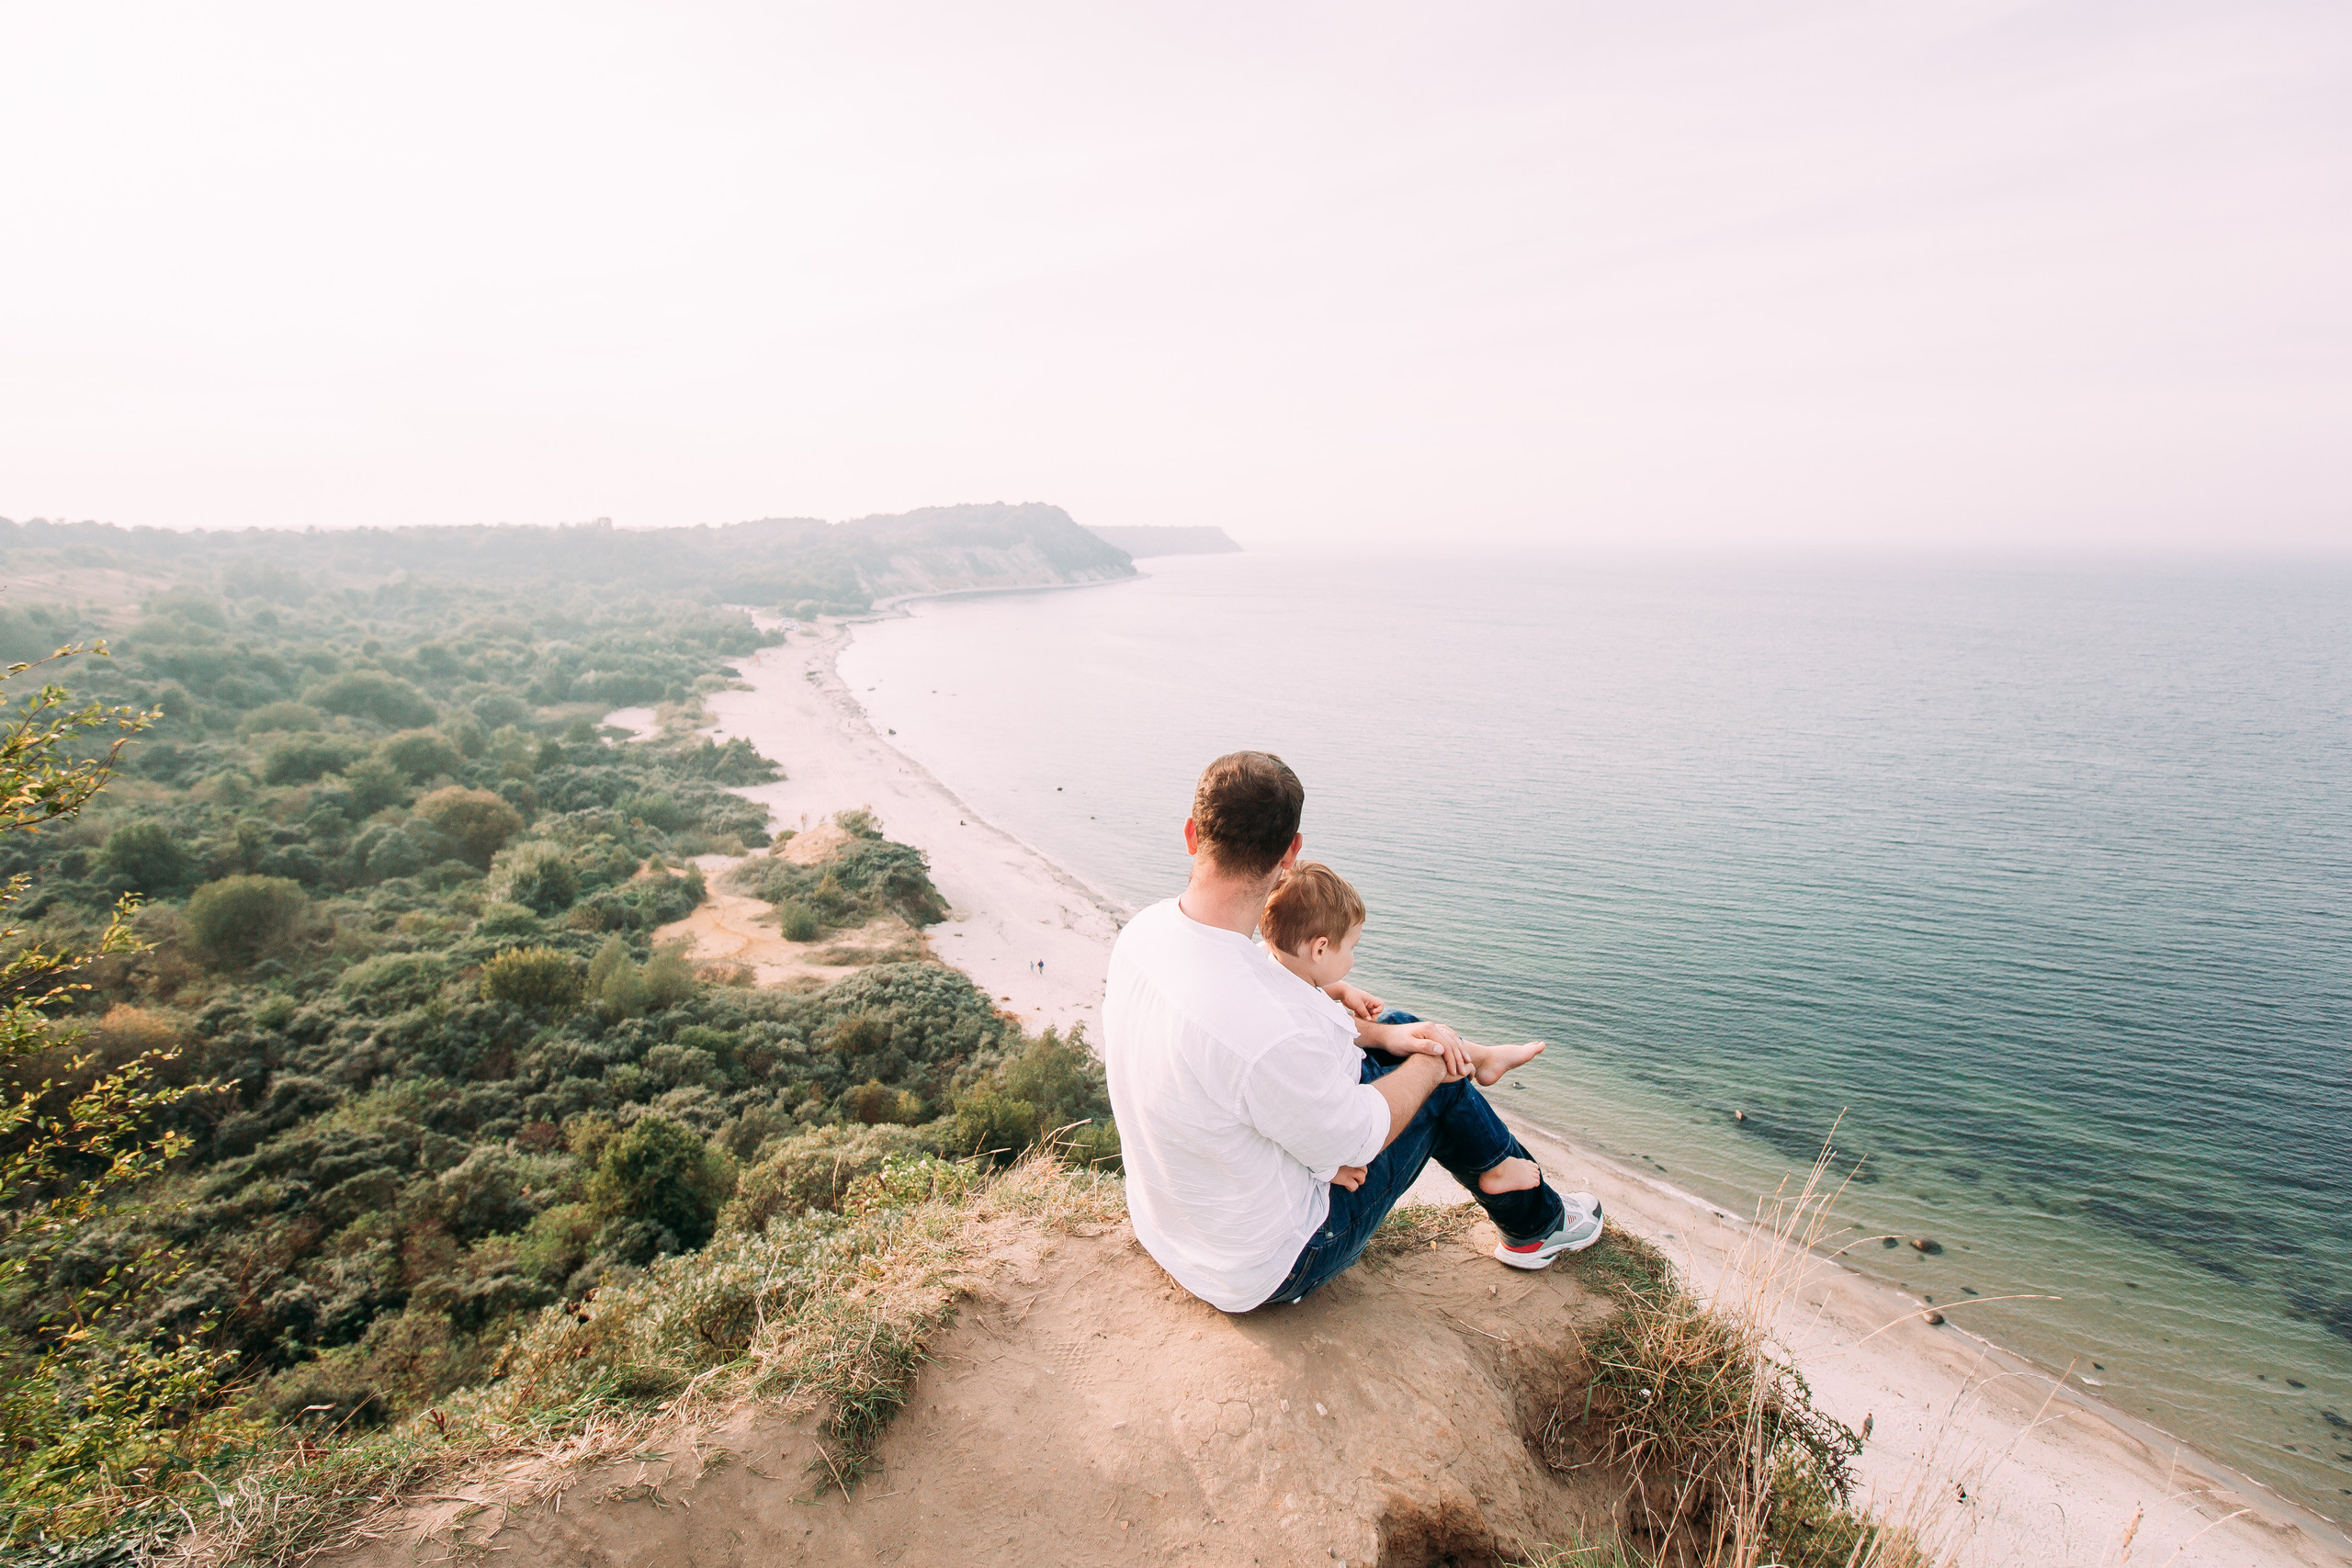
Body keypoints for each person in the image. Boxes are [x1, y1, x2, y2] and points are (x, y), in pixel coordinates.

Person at [1101, 750, 1602, 1314]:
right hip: (1267, 1264)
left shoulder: (1143, 935)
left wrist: (1377, 1034)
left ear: (1192, 835)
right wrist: (1432, 1063)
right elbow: (1354, 1140)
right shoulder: (1263, 1027)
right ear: (1291, 853)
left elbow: (1242, 1059)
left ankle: (1505, 1167)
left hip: (1175, 1227)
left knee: (1397, 1030)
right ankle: (1536, 1221)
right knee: (1432, 1068)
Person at [1259, 861, 1548, 1093]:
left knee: (1400, 1021)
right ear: (1320, 949)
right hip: (1360, 1080)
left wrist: (1341, 989)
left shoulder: (1269, 963)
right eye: (1351, 947)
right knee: (1439, 1061)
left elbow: (1291, 974)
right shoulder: (1301, 1023)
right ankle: (1495, 1141)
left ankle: (1483, 1057)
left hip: (1354, 1055)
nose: (1352, 955)